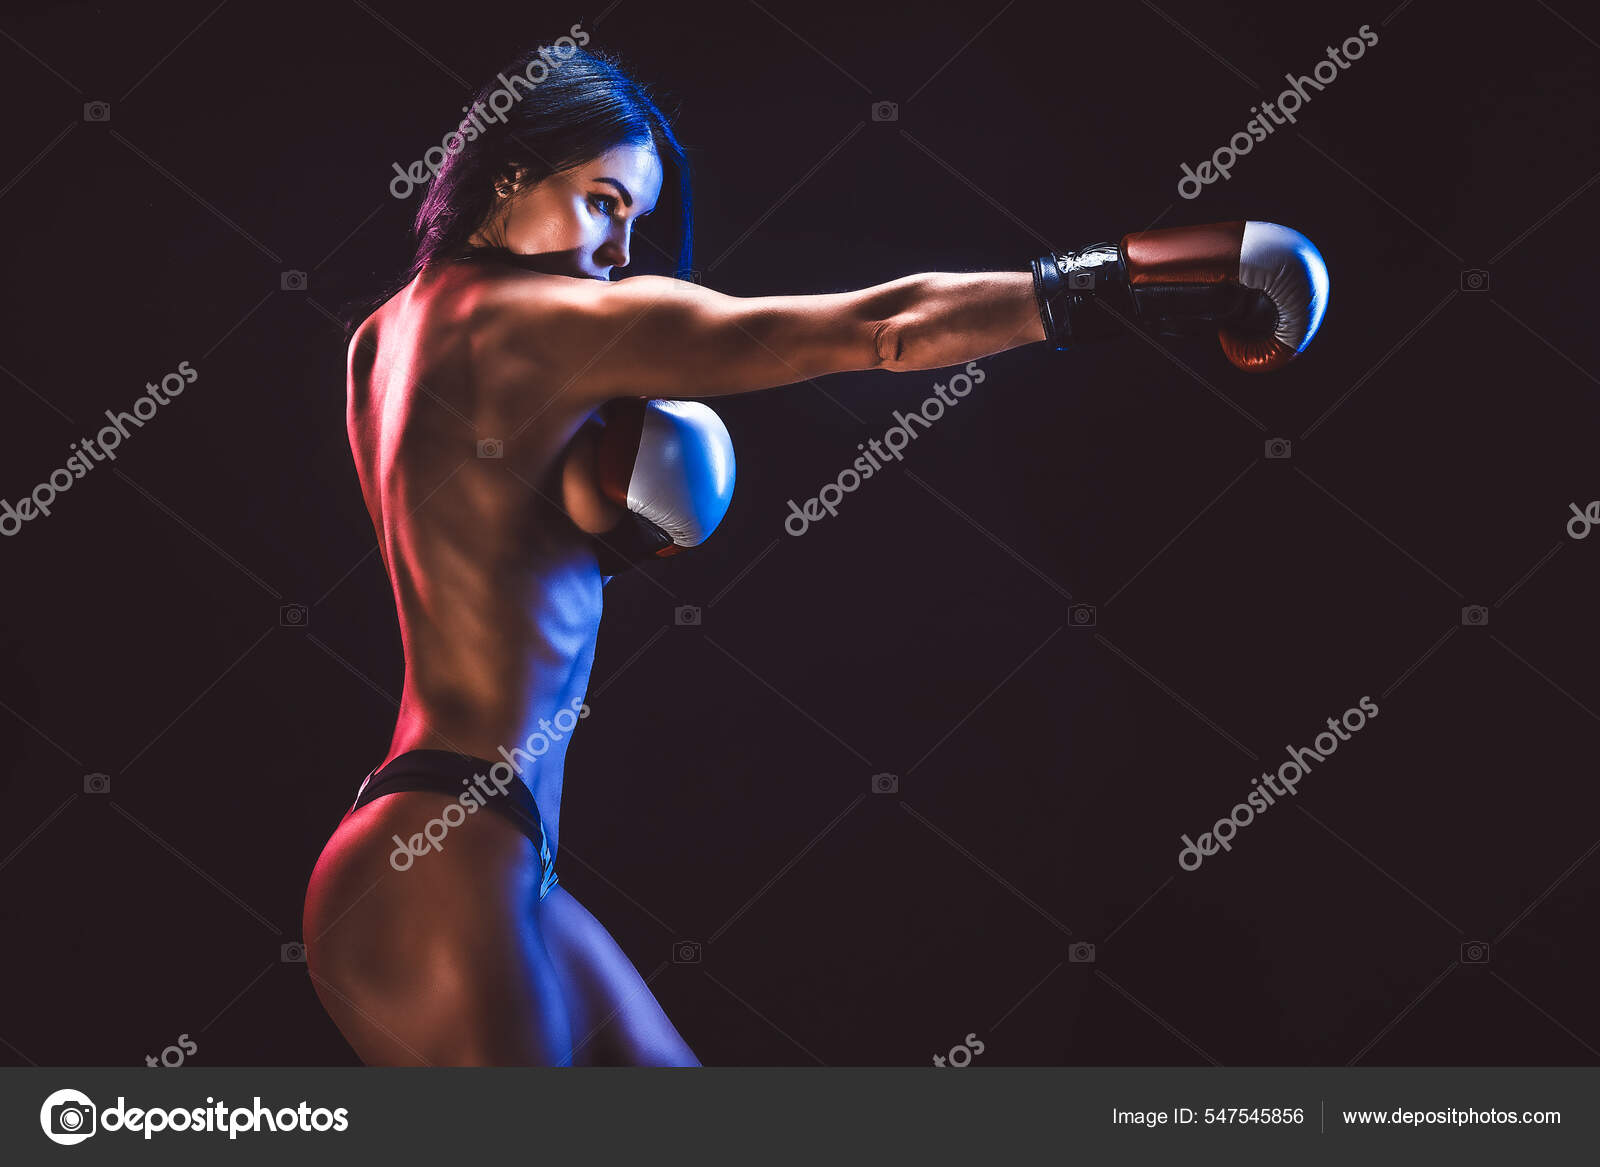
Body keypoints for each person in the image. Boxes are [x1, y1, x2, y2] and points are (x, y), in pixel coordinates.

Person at [301, 39, 1328, 1067]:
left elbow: (480, 540)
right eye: (605, 201)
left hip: (452, 843)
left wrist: (597, 528)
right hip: (449, 857)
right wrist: (1134, 283)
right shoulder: (548, 320)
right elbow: (885, 328)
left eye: (635, 220)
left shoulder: (380, 342)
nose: (619, 251)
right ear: (514, 169)